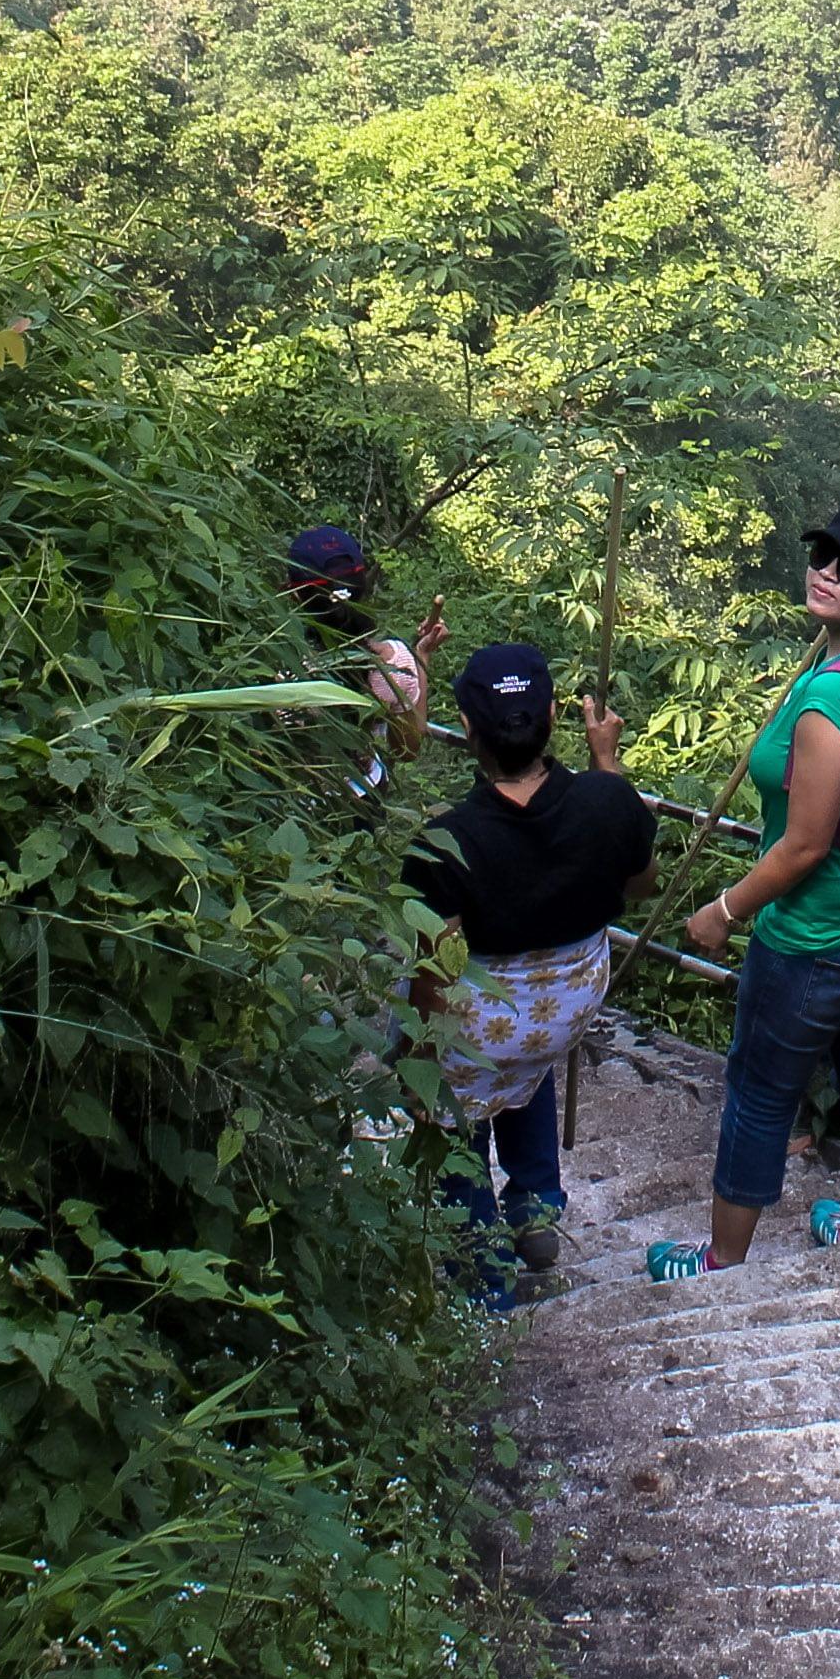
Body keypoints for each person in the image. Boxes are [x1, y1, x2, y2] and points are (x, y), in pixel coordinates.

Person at [672, 495, 840, 1273]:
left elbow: (804, 845)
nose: (826, 571)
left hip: (813, 938)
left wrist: (723, 910)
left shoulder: (836, 695)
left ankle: (722, 1260)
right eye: (824, 554)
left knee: (759, 1093)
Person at [400, 641, 655, 1299]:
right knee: (523, 1060)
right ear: (551, 719)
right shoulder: (610, 804)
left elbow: (436, 971)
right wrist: (606, 767)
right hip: (565, 1015)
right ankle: (536, 1206)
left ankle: (483, 1273)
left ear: (468, 728)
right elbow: (639, 886)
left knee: (461, 1090)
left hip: (486, 1030)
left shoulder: (446, 841)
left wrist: (412, 1061)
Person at [286, 522, 442, 796]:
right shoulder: (395, 664)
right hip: (364, 796)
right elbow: (407, 749)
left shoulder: (278, 665)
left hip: (295, 802)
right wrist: (421, 658)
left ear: (294, 594)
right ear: (363, 589)